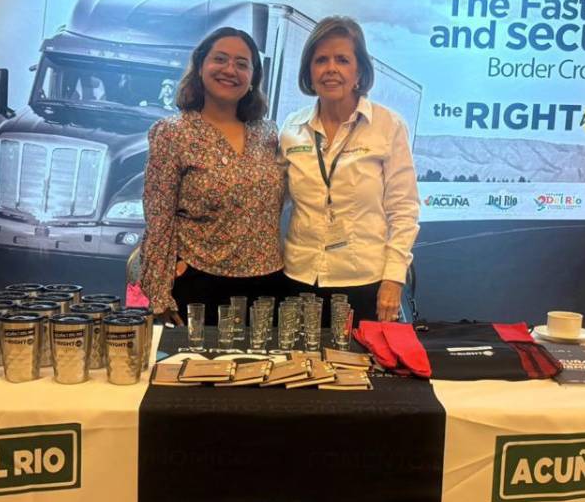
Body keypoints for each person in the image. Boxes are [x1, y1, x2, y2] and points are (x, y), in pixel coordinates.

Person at [139, 27, 285, 325]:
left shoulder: (267, 133)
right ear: (200, 66)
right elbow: (159, 219)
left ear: (253, 77)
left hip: (268, 287)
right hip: (199, 285)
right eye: (220, 59)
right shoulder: (172, 133)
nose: (230, 70)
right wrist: (159, 294)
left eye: (242, 64)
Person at [280, 17, 419, 323]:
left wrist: (393, 279)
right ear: (309, 71)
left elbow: (404, 210)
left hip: (365, 283)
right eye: (321, 60)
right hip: (299, 279)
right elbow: (271, 200)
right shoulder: (291, 128)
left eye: (342, 59)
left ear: (359, 71)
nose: (331, 68)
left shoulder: (388, 126)